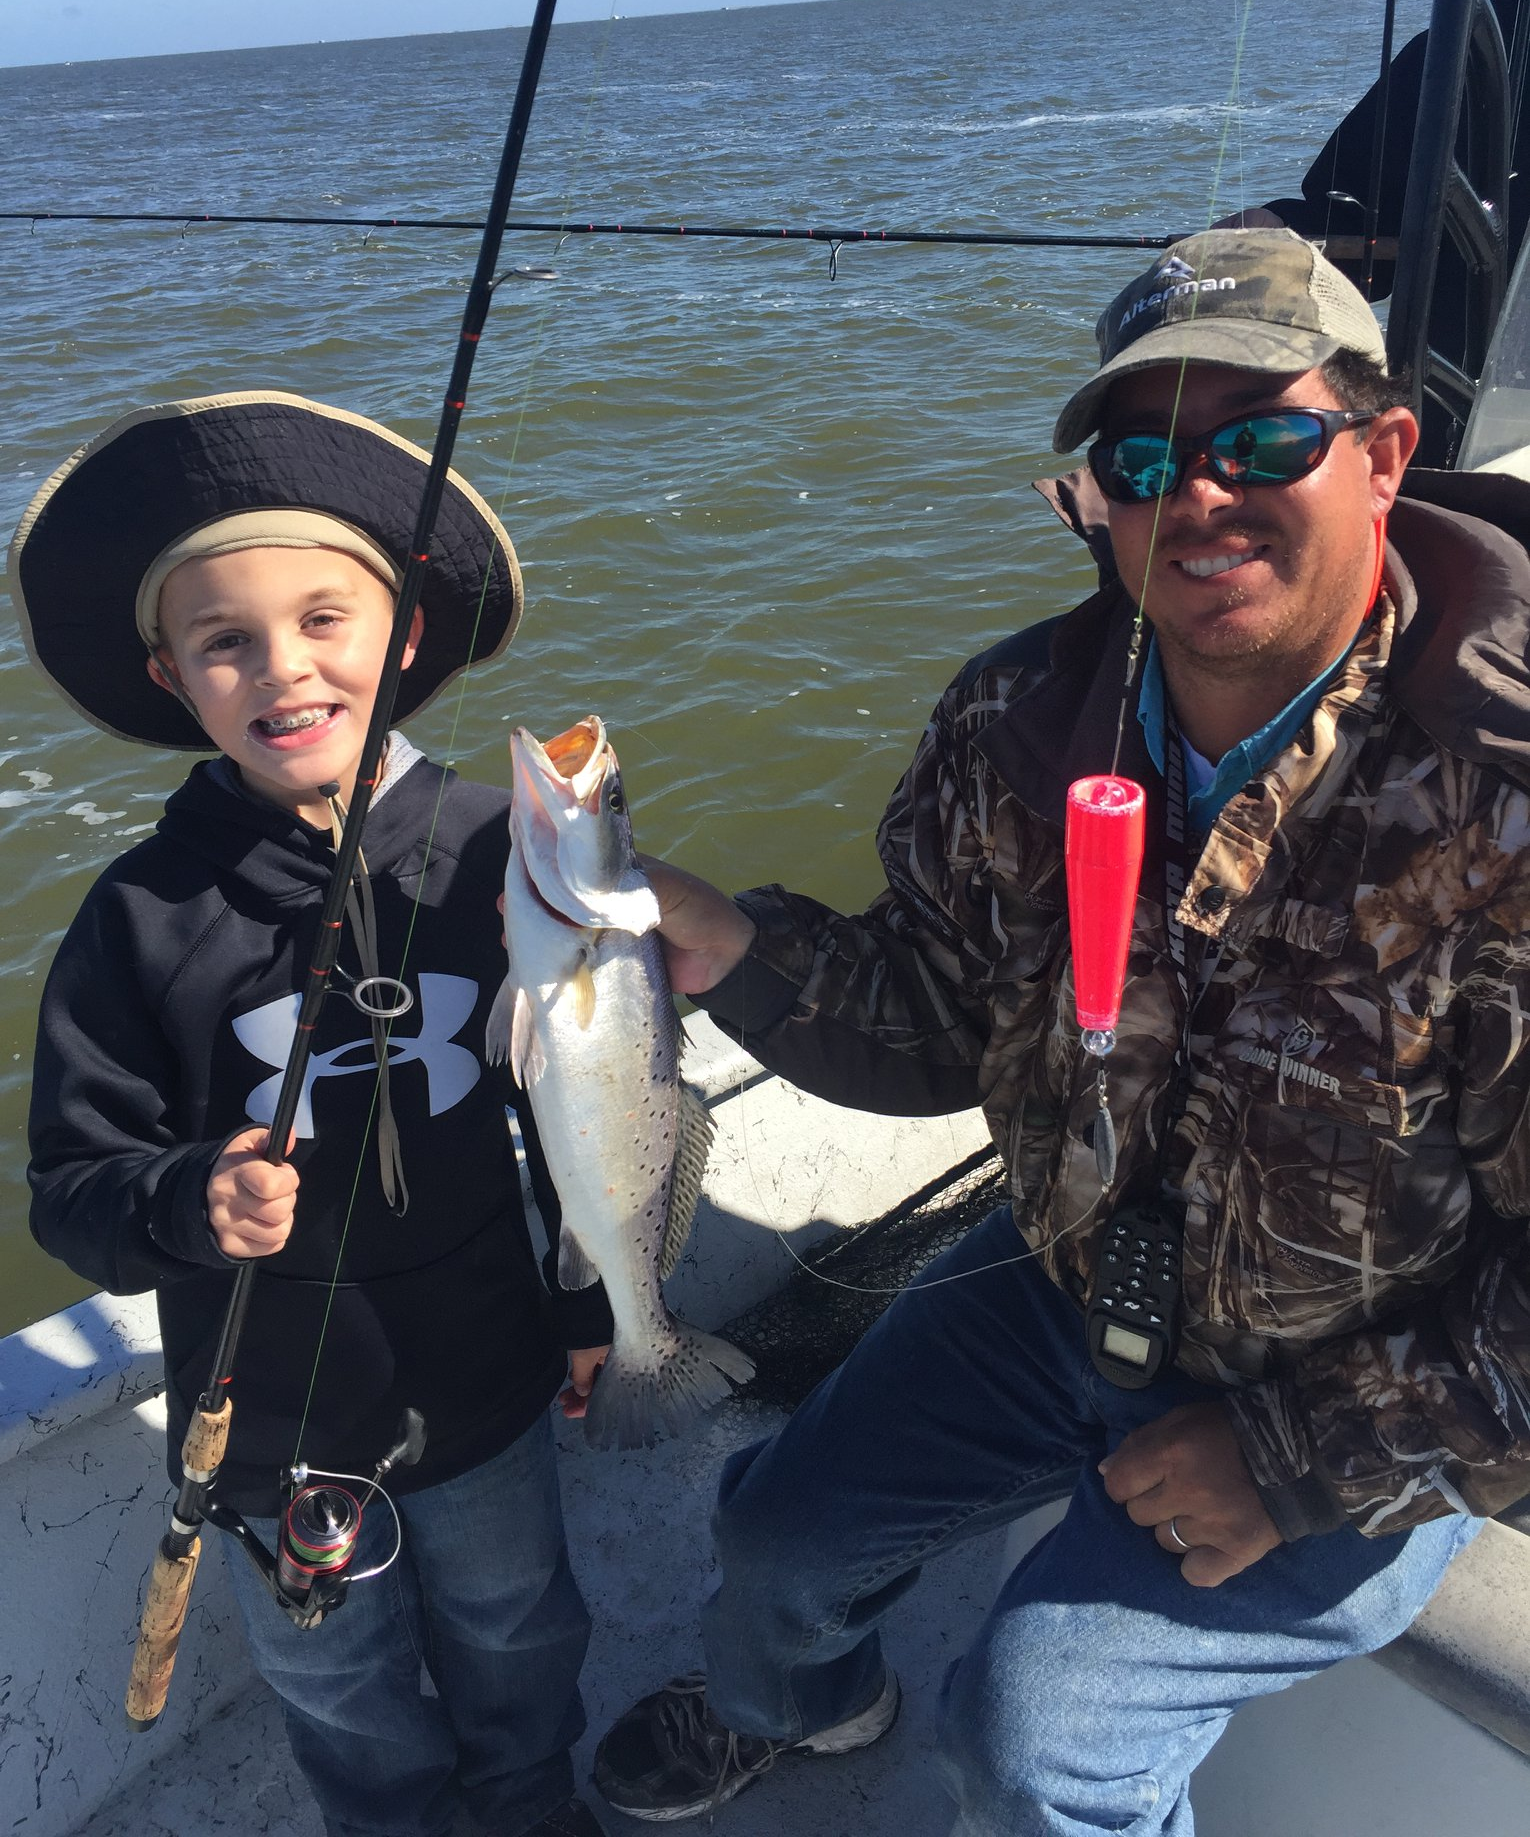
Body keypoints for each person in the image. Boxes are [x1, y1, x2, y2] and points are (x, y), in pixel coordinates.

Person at [591, 228, 1530, 1834]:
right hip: (1061, 1281)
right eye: (1142, 454)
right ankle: (798, 1713)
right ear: (1092, 494)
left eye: (1261, 438)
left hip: (1359, 1378)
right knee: (774, 1538)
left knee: (1036, 1736)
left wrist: (1295, 1453)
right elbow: (936, 1025)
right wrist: (727, 946)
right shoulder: (1008, 720)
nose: (1199, 491)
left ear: (1380, 453)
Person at [19, 391, 610, 1837]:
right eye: (227, 641)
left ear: (402, 634)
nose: (283, 669)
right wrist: (186, 1200)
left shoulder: (503, 849)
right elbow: (70, 1187)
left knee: (521, 1640)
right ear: (173, 677)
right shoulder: (139, 919)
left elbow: (583, 1108)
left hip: (489, 1377)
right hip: (272, 1421)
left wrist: (586, 1298)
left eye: (324, 619)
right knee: (342, 1694)